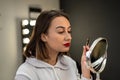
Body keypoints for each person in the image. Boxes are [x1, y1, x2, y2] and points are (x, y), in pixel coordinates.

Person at [15, 10, 92, 80]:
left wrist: (85, 69)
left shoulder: (70, 63)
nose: (69, 37)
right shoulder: (26, 72)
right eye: (61, 31)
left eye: (69, 31)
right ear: (44, 37)